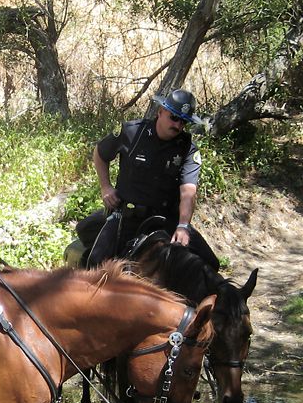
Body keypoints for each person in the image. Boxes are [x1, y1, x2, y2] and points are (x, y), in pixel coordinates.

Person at [75, 89, 219, 270]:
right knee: (95, 264)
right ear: (160, 112)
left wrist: (183, 225)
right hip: (126, 217)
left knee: (210, 264)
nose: (178, 124)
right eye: (174, 117)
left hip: (165, 220)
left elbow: (188, 192)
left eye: (183, 121)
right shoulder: (132, 132)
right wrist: (105, 187)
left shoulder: (188, 150)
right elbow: (100, 153)